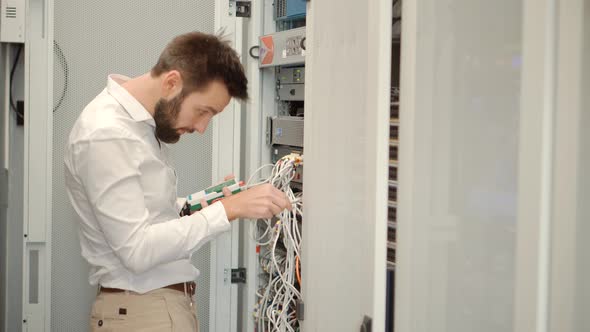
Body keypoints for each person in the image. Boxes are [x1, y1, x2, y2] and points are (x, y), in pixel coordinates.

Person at [64, 31, 291, 331]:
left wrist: (208, 203)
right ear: (172, 82)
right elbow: (137, 250)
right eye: (203, 111)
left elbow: (151, 214)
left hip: (153, 310)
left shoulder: (137, 128)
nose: (201, 128)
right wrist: (227, 210)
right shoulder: (108, 133)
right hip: (143, 314)